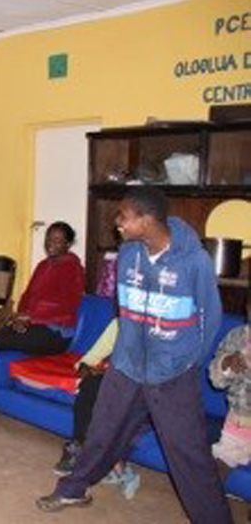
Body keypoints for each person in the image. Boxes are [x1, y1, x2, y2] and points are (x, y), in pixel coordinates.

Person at [36, 186, 230, 524]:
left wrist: (183, 362)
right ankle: (74, 488)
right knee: (102, 432)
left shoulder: (194, 261)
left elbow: (209, 319)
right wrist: (121, 353)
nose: (117, 223)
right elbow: (122, 310)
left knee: (189, 454)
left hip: (171, 373)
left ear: (147, 219)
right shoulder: (128, 254)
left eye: (123, 216)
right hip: (126, 367)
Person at [52, 319, 141, 500]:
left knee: (121, 398)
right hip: (115, 375)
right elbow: (91, 357)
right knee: (90, 384)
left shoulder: (161, 328)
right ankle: (79, 446)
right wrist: (86, 368)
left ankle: (118, 464)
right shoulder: (119, 322)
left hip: (146, 382)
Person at [0, 221, 85, 356]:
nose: (50, 243)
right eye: (48, 238)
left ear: (68, 244)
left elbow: (67, 306)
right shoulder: (43, 265)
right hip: (33, 324)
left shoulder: (73, 269)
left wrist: (30, 318)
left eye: (57, 240)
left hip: (57, 331)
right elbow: (27, 295)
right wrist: (20, 317)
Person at [209, 324, 251, 469]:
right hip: (240, 420)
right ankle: (210, 491)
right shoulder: (238, 336)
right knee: (222, 462)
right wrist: (226, 363)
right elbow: (217, 382)